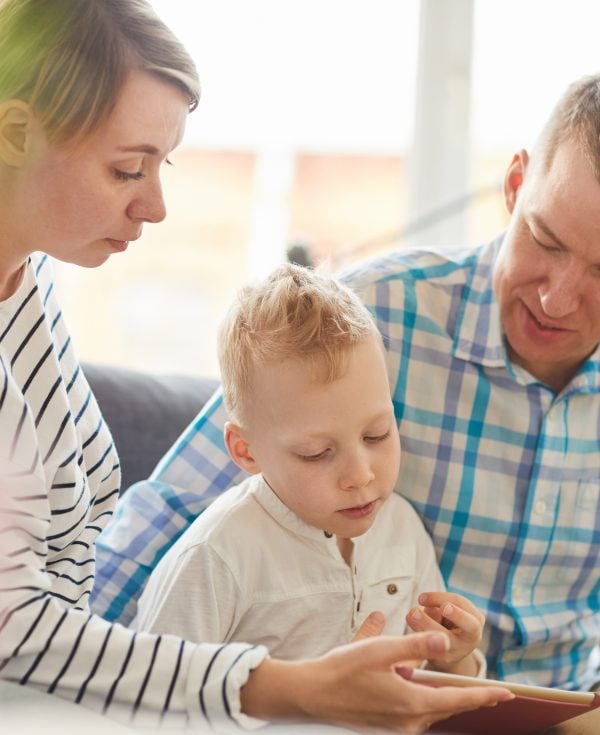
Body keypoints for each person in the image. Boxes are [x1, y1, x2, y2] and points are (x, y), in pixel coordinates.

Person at [0, 0, 512, 732]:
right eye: (126, 168)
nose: (156, 205)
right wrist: (294, 687)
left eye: (162, 164)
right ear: (15, 132)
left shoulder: (31, 286)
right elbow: (14, 630)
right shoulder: (226, 548)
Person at [92, 72, 600, 731]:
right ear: (513, 186)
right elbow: (176, 514)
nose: (557, 297)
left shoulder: (401, 535)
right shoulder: (374, 317)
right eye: (545, 239)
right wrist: (63, 663)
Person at [134, 263, 487, 678]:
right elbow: (152, 702)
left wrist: (455, 659)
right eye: (317, 453)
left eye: (376, 434)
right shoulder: (215, 557)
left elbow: (431, 691)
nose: (360, 475)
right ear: (246, 451)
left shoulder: (403, 530)